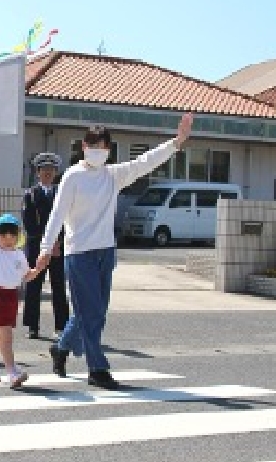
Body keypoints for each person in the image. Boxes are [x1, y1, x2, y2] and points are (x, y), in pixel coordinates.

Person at [39, 115, 195, 390]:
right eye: (92, 144)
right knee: (92, 312)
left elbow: (144, 162)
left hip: (105, 252)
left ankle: (61, 347)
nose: (96, 150)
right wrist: (45, 247)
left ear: (109, 150)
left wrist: (176, 143)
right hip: (79, 254)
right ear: (83, 147)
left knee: (93, 311)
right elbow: (57, 214)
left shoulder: (113, 175)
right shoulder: (72, 177)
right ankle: (97, 368)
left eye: (102, 146)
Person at [0, 203, 43, 388]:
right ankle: (12, 372)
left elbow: (27, 276)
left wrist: (38, 268)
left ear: (18, 236)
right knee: (6, 336)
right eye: (3, 233)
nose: (8, 237)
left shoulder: (19, 255)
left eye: (12, 233)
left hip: (12, 296)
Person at [22, 152, 70, 339]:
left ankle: (62, 326)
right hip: (37, 247)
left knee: (59, 286)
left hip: (59, 247)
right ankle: (32, 326)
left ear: (56, 172)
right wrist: (47, 244)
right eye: (44, 170)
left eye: (51, 170)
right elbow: (29, 224)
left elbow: (67, 220)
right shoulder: (31, 194)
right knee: (34, 285)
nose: (48, 173)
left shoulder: (62, 193)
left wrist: (57, 242)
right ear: (37, 172)